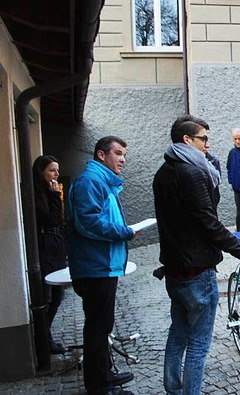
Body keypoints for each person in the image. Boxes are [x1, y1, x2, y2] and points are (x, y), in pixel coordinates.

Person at [153, 117, 240, 395]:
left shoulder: (164, 171)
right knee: (199, 343)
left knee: (178, 332)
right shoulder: (190, 173)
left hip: (175, 267)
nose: (208, 144)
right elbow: (209, 223)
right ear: (187, 140)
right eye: (204, 138)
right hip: (196, 269)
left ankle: (173, 389)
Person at [68, 136, 136, 395]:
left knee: (101, 326)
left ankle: (106, 376)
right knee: (97, 329)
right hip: (95, 267)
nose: (122, 160)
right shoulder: (91, 181)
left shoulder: (100, 180)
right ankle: (99, 387)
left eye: (124, 155)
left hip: (101, 266)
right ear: (101, 155)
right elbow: (87, 222)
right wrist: (123, 232)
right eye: (118, 153)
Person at [32, 155, 67, 355]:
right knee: (47, 295)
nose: (56, 175)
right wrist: (55, 197)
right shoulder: (37, 196)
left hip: (56, 247)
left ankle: (46, 336)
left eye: (57, 170)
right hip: (45, 248)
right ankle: (44, 340)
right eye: (52, 170)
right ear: (41, 172)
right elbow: (52, 220)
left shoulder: (48, 192)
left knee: (57, 295)